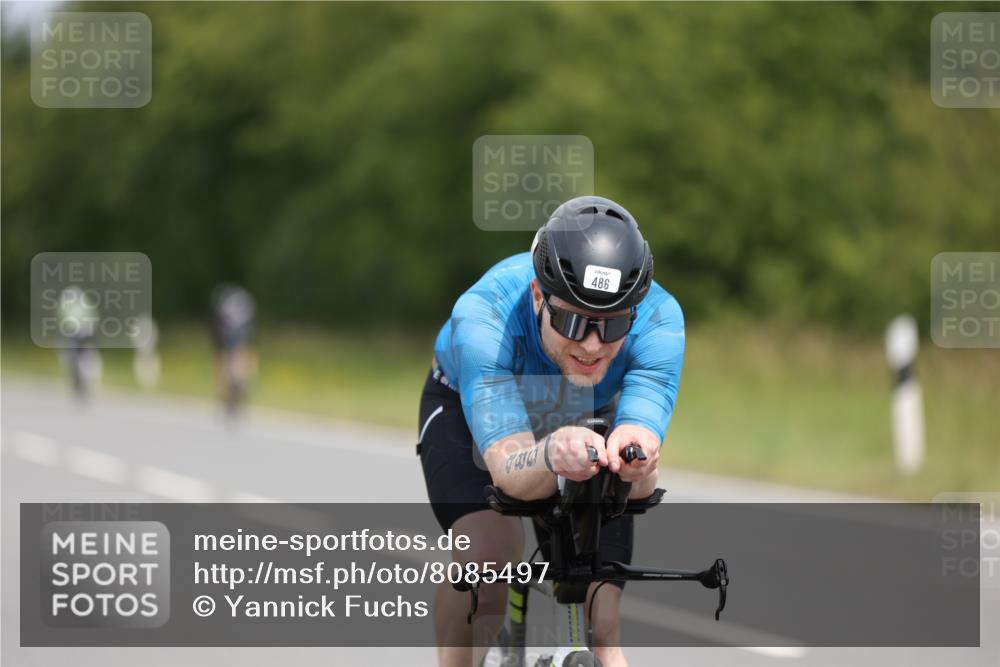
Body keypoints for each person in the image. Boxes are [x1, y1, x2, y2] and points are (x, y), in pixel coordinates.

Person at [418, 196, 685, 667]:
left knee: (603, 626)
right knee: (488, 555)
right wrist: (551, 454)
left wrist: (636, 463)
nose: (592, 345)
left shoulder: (661, 320)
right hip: (468, 404)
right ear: (539, 297)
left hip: (588, 409)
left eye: (612, 326)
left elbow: (641, 464)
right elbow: (509, 471)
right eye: (573, 321)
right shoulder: (485, 314)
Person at [210, 283, 258, 418]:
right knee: (235, 361)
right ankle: (236, 391)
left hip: (231, 337)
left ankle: (233, 393)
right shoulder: (242, 305)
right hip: (235, 337)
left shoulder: (225, 305)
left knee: (229, 362)